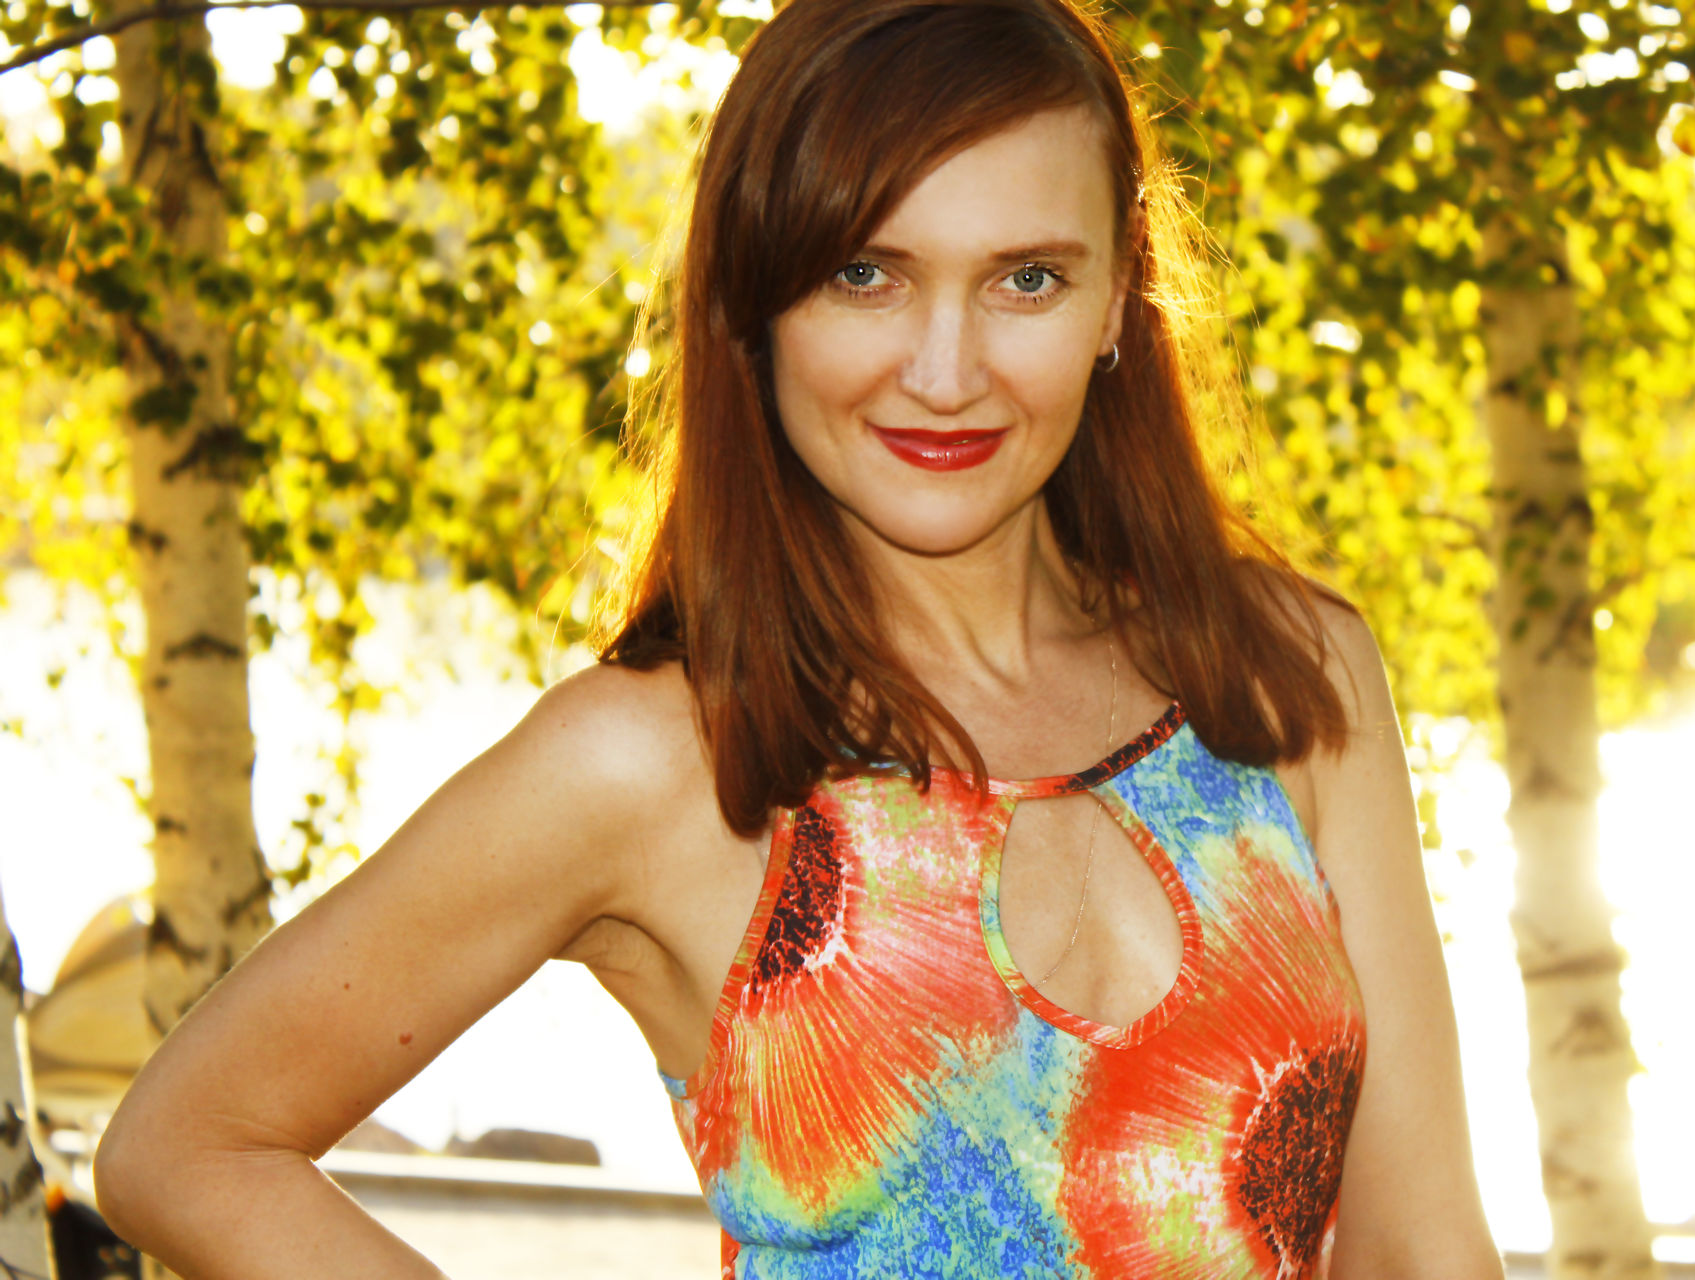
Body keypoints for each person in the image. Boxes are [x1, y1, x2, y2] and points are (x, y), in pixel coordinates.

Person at [94, 0, 1503, 1275]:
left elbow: (1421, 1246)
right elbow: (191, 1147)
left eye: (1025, 279)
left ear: (1120, 300)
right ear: (755, 301)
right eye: (864, 274)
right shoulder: (658, 758)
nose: (944, 372)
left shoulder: (1288, 675)